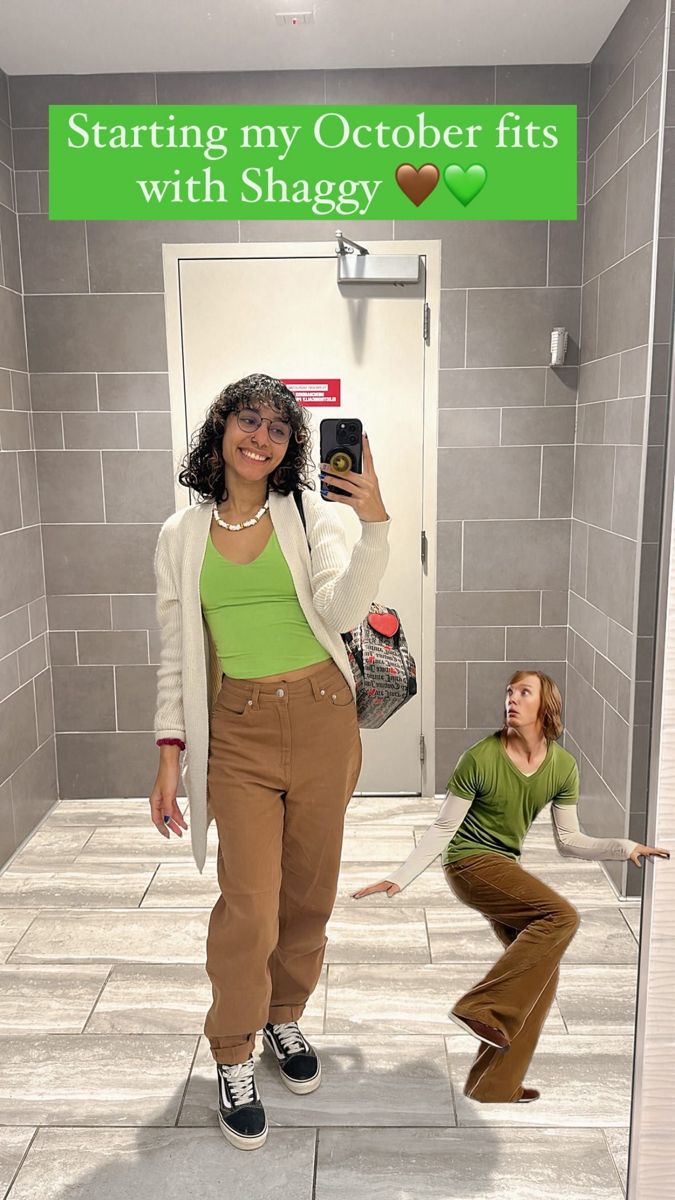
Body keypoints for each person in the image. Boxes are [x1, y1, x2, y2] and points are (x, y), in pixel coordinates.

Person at [149, 373, 390, 1150]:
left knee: (308, 895)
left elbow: (342, 609)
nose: (260, 438)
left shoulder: (310, 513)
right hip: (239, 732)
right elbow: (174, 655)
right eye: (247, 421)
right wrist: (167, 755)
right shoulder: (179, 537)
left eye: (278, 430)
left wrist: (373, 523)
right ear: (220, 430)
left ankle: (285, 1017)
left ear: (292, 448)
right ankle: (233, 1049)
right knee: (248, 902)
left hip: (323, 720)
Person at [353, 670, 669, 1104]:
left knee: (541, 974)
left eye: (524, 693)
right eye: (509, 692)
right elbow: (445, 825)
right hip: (467, 864)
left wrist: (625, 847)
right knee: (562, 915)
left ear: (546, 706)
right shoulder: (480, 757)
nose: (512, 700)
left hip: (503, 867)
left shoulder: (562, 767)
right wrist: (399, 878)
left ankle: (493, 1085)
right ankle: (480, 1008)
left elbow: (570, 841)